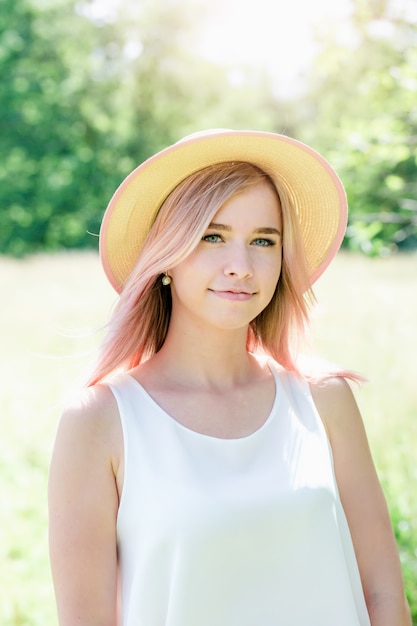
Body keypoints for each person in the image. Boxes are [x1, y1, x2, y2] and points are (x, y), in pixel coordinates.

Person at [48, 129, 411, 626]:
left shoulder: (324, 403)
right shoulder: (100, 421)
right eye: (212, 236)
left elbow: (383, 595)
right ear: (166, 257)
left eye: (263, 241)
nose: (240, 266)